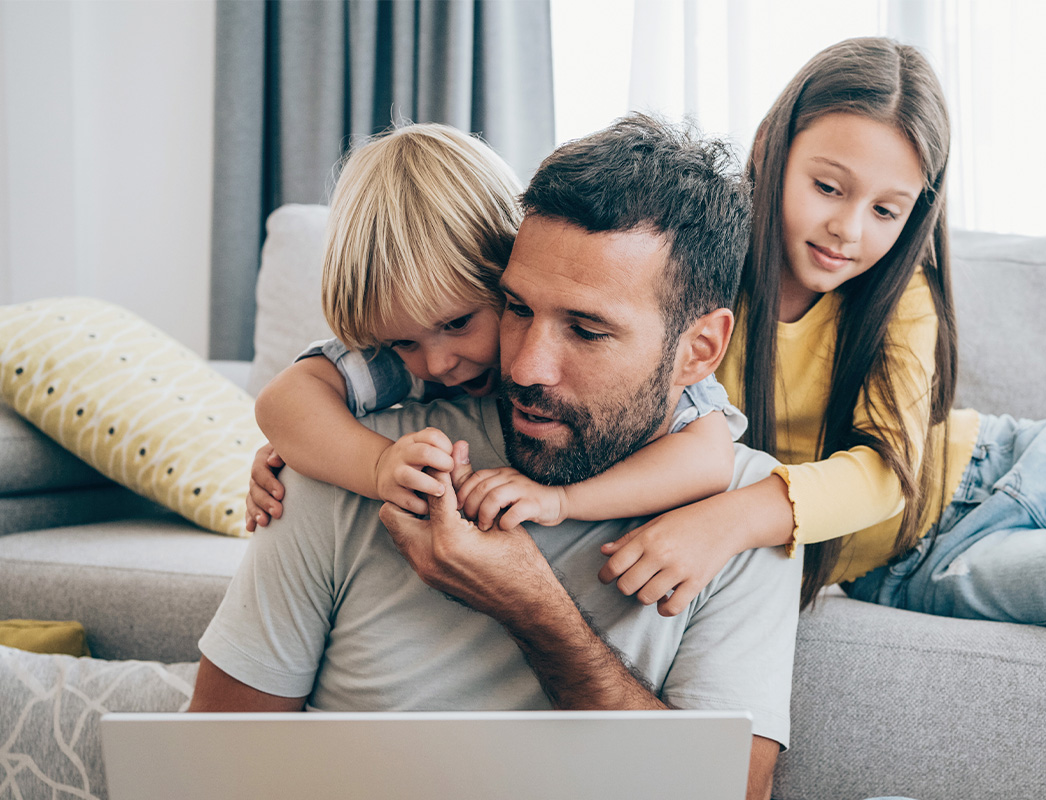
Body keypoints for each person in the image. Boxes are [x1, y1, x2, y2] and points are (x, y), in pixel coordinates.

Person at [189, 113, 801, 800]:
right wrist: (352, 461)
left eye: (587, 329)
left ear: (700, 351)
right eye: (514, 309)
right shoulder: (357, 459)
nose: (526, 367)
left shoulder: (744, 515)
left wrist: (532, 607)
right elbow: (210, 767)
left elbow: (727, 795)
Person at [597, 36, 1046, 635]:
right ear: (770, 147)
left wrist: (731, 519)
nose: (847, 229)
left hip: (1009, 458)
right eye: (829, 187)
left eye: (886, 211)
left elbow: (889, 469)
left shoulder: (903, 294)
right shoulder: (699, 275)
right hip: (918, 562)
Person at [245, 122, 741, 542]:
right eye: (403, 342)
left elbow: (709, 460)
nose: (437, 364)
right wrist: (367, 463)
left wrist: (563, 500)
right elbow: (283, 402)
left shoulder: (663, 366)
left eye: (459, 324)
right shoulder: (408, 358)